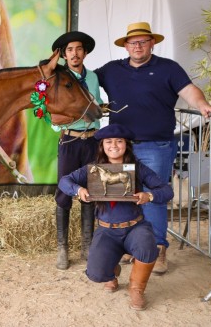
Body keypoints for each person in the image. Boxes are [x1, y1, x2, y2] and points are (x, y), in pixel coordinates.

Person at [94, 22, 211, 274]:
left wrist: (203, 104)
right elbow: (83, 82)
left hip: (156, 145)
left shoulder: (168, 68)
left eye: (142, 41)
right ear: (125, 46)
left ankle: (159, 248)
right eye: (132, 42)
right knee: (121, 197)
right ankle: (131, 246)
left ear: (152, 43)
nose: (137, 46)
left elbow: (189, 90)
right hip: (120, 147)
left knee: (153, 197)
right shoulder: (111, 70)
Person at [58, 124, 174, 310]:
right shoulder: (93, 169)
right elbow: (64, 181)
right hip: (106, 229)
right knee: (95, 273)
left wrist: (149, 196)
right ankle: (111, 272)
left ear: (126, 145)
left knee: (148, 247)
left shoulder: (138, 168)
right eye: (109, 142)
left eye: (119, 141)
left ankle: (136, 289)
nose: (114, 145)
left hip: (134, 226)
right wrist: (78, 189)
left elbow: (166, 190)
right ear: (102, 145)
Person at [51, 31, 103, 270]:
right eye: (70, 50)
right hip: (70, 141)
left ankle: (88, 245)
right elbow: (48, 109)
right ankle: (62, 248)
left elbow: (97, 106)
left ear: (85, 52)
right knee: (64, 189)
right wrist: (58, 121)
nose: (75, 53)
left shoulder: (93, 77)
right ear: (63, 54)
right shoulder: (59, 78)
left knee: (91, 190)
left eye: (79, 49)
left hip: (92, 141)